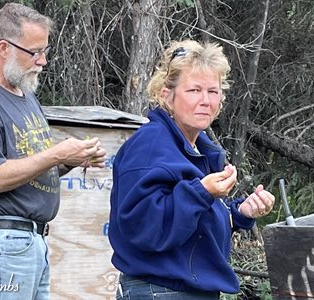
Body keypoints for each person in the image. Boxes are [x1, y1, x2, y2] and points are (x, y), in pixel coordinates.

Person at [0, 3, 106, 299]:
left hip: (29, 242)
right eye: (35, 52)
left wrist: (72, 160)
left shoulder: (25, 95)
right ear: (4, 48)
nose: (43, 61)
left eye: (45, 51)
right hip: (1, 243)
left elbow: (30, 169)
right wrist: (56, 154)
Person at [108, 39, 275, 299]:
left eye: (213, 91)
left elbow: (191, 227)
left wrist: (239, 213)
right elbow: (141, 227)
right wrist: (201, 192)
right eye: (194, 90)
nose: (205, 101)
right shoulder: (151, 144)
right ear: (167, 95)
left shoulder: (197, 150)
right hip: (160, 291)